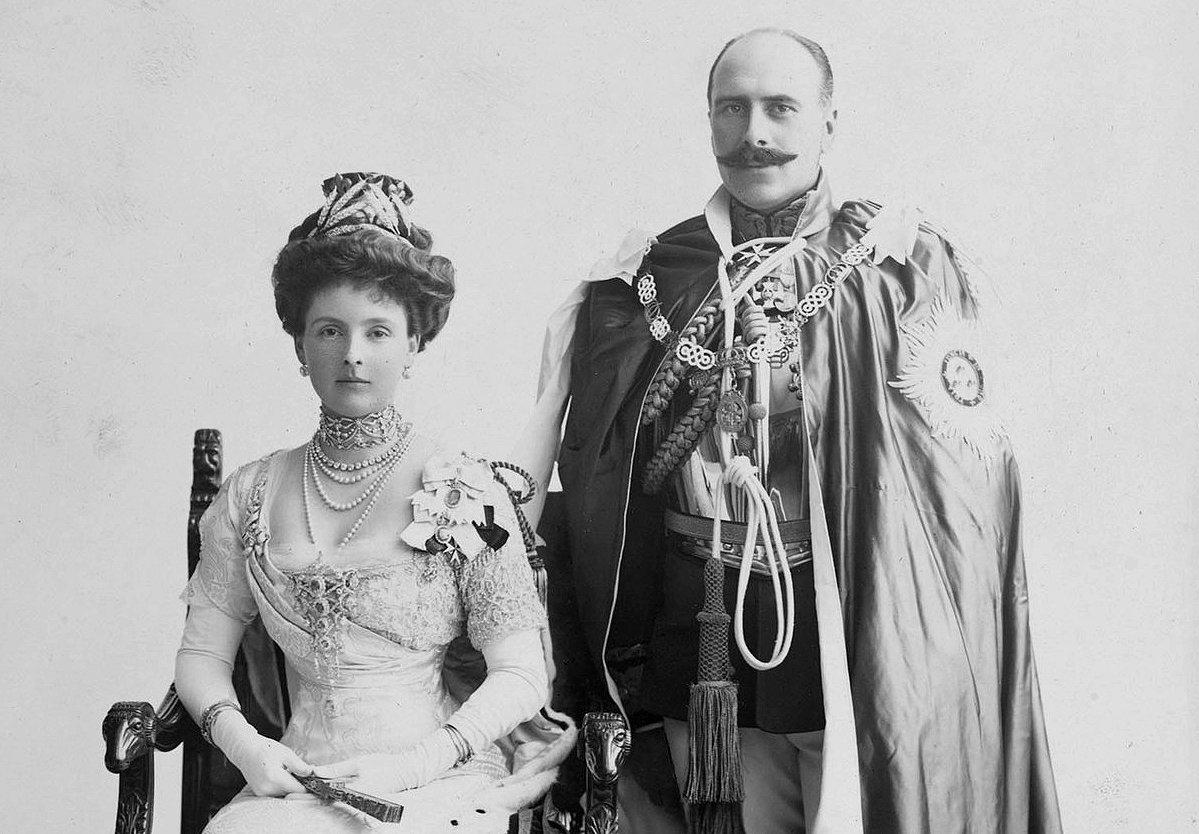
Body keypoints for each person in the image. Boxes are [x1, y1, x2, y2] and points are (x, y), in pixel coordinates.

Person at [523, 28, 1062, 833]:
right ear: (709, 122)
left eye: (781, 107)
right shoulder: (648, 276)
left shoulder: (894, 267)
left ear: (828, 124)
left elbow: (960, 497)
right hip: (697, 617)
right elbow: (585, 457)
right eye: (732, 109)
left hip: (850, 619)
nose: (756, 134)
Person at [175, 172, 570, 834]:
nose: (353, 355)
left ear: (414, 345)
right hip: (296, 784)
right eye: (330, 331)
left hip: (437, 781)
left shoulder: (466, 491)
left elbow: (523, 673)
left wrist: (414, 766)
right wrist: (247, 748)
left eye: (379, 332)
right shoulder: (252, 494)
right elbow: (200, 657)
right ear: (300, 347)